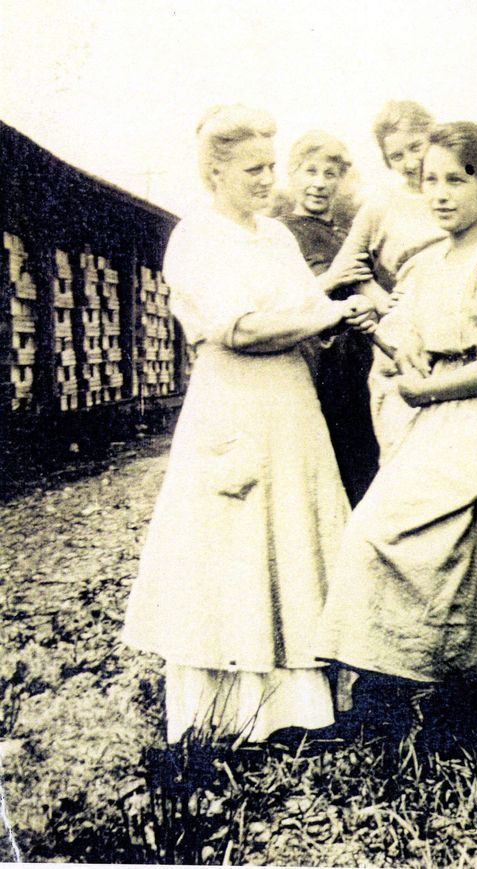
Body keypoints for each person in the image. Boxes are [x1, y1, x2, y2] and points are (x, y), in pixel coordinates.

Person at [121, 105, 376, 744]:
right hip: (234, 403)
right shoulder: (197, 237)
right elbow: (238, 329)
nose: (267, 180)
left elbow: (308, 307)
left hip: (291, 403)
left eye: (270, 166)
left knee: (294, 539)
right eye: (253, 168)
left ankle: (300, 707)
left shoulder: (276, 236)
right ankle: (229, 715)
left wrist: (348, 312)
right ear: (215, 171)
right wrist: (328, 314)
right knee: (231, 549)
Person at [316, 123, 477, 709]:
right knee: (371, 526)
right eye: (430, 182)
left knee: (383, 527)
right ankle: (405, 672)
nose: (441, 194)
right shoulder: (432, 258)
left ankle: (430, 675)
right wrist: (404, 353)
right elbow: (397, 331)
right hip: (438, 416)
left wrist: (431, 389)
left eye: (457, 180)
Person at [324, 100, 477, 462]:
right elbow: (349, 267)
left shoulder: (474, 191)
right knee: (404, 451)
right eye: (396, 156)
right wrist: (383, 301)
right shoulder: (381, 205)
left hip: (468, 335)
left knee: (466, 453)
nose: (410, 162)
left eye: (416, 148)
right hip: (403, 335)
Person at [279, 131, 379, 504]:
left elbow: (369, 289)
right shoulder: (281, 234)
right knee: (320, 470)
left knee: (363, 465)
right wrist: (332, 280)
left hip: (356, 362)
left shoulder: (346, 234)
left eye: (330, 174)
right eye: (310, 172)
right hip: (314, 362)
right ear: (292, 174)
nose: (319, 184)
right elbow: (279, 303)